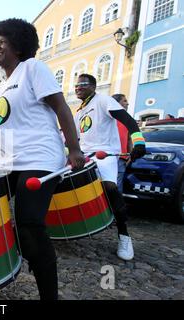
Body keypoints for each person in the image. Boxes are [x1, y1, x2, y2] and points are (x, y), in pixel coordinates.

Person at [0, 19, 85, 300]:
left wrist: (74, 149)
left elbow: (60, 107)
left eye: (3, 41)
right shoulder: (0, 87)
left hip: (39, 157)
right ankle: (26, 255)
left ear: (19, 46)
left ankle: (49, 294)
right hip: (8, 160)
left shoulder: (32, 69)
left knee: (30, 225)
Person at [75, 74, 146, 261]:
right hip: (85, 157)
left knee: (111, 188)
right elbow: (71, 138)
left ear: (93, 86)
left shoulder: (103, 100)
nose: (77, 87)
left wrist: (139, 143)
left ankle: (124, 236)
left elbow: (129, 121)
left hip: (105, 154)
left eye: (82, 84)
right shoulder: (79, 112)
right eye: (76, 85)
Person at [112, 94, 131, 193]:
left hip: (121, 159)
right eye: (124, 101)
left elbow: (129, 139)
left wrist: (130, 155)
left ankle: (116, 208)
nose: (127, 103)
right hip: (107, 157)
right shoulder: (109, 117)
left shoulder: (127, 119)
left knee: (117, 187)